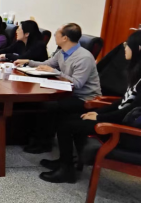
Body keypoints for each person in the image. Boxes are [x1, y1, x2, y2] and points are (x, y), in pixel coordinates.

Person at [39, 31, 141, 183]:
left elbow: (129, 110)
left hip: (126, 132)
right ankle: (65, 162)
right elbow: (122, 102)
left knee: (67, 125)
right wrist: (97, 113)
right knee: (67, 117)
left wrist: (100, 117)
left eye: (128, 44)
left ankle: (66, 171)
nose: (124, 47)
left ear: (138, 49)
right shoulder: (136, 74)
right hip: (119, 120)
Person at [14, 23, 102, 154]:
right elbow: (46, 64)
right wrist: (28, 62)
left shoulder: (84, 57)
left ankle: (44, 143)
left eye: (57, 34)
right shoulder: (62, 52)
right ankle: (34, 139)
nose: (54, 36)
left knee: (49, 106)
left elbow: (77, 83)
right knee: (41, 103)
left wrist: (55, 72)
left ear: (65, 38)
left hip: (85, 98)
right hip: (68, 93)